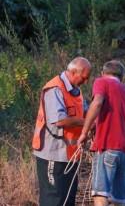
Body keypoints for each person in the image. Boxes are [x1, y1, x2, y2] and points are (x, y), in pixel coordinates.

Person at [77, 60, 125, 206]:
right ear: (122, 76)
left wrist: (84, 132)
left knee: (101, 194)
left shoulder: (102, 82)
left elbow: (97, 102)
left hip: (107, 146)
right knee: (120, 199)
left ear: (103, 73)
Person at [32, 57, 92, 206]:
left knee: (68, 199)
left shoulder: (76, 90)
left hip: (70, 154)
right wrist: (88, 123)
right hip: (52, 154)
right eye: (84, 78)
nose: (85, 82)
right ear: (73, 72)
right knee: (54, 199)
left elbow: (85, 112)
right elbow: (59, 120)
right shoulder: (55, 89)